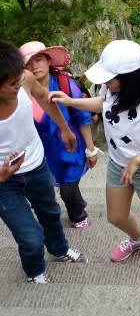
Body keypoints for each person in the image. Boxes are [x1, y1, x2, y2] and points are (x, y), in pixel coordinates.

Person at [50, 40, 140, 264]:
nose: (104, 82)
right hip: (118, 162)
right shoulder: (112, 88)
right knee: (115, 216)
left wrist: (139, 160)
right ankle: (138, 239)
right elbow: (103, 103)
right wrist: (71, 101)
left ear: (129, 78)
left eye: (109, 78)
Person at [0, 40, 87, 284]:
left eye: (20, 79)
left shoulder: (25, 78)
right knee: (30, 236)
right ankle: (35, 272)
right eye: (12, 85)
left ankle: (59, 249)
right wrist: (2, 174)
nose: (21, 84)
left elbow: (45, 100)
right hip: (5, 183)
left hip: (37, 166)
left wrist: (64, 128)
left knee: (51, 212)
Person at [20, 41, 98, 229]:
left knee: (67, 190)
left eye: (38, 60)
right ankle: (78, 201)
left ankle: (78, 216)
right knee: (63, 183)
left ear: (48, 61)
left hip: (72, 145)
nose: (34, 66)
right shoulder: (21, 91)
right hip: (45, 150)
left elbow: (82, 117)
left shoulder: (66, 84)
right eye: (28, 63)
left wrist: (90, 149)